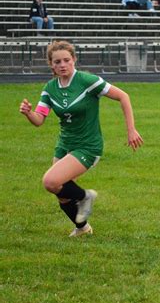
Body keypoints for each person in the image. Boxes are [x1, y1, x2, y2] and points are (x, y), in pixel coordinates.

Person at [19, 41, 143, 237]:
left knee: (50, 182)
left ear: (74, 60)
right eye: (57, 61)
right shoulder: (50, 88)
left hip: (88, 146)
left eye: (66, 60)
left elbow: (123, 96)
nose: (62, 65)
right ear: (51, 64)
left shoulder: (88, 81)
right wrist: (28, 113)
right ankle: (83, 228)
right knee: (61, 194)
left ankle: (86, 197)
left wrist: (131, 130)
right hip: (64, 145)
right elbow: (39, 119)